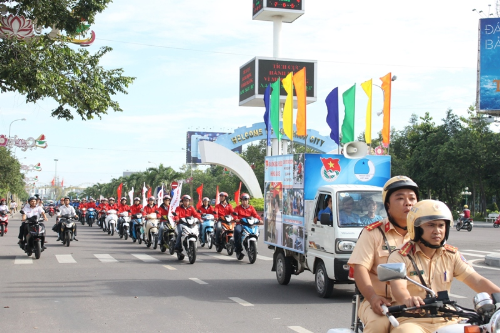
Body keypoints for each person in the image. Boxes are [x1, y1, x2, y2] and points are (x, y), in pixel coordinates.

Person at [387, 200, 500, 333]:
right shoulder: (400, 256)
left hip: (448, 318)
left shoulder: (451, 255)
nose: (437, 231)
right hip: (412, 319)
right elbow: (398, 288)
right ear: (415, 228)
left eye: (441, 225)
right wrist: (409, 300)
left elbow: (477, 280)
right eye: (431, 225)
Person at [347, 176, 419, 333]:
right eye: (400, 198)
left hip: (417, 303)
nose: (408, 203)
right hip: (380, 301)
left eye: (412, 198)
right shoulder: (373, 233)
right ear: (388, 205)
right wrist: (372, 297)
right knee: (379, 326)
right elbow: (360, 269)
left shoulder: (424, 234)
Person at [233, 193, 262, 260]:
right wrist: (236, 219)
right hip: (241, 224)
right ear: (241, 200)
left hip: (250, 224)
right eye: (243, 200)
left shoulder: (251, 208)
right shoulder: (238, 208)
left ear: (248, 200)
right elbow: (235, 215)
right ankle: (238, 248)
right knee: (237, 231)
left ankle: (253, 245)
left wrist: (260, 220)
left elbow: (256, 215)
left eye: (246, 200)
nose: (245, 201)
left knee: (257, 230)